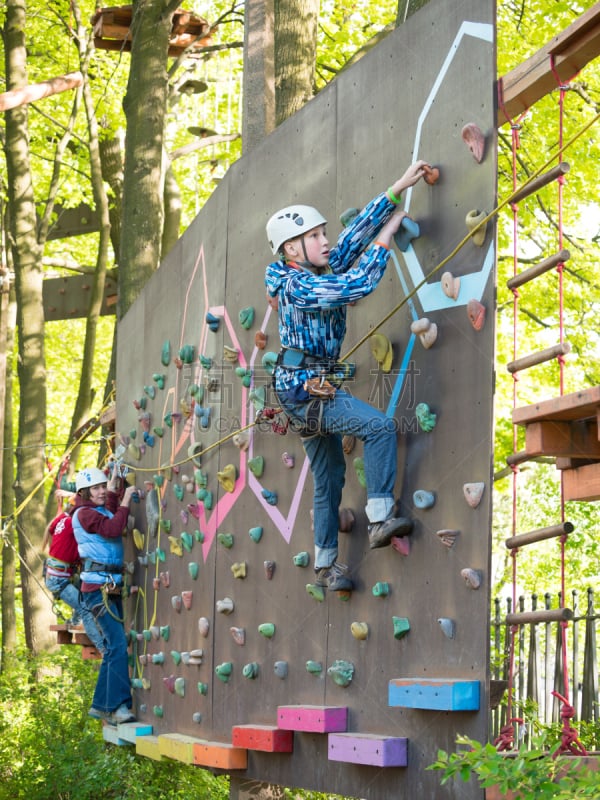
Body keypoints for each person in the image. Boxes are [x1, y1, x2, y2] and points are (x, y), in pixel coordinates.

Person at [265, 161, 429, 593]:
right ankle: (379, 518)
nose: (325, 241)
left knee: (330, 478)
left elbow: (350, 241)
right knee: (378, 428)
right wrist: (386, 239)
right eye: (315, 237)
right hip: (304, 390)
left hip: (300, 386)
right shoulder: (297, 287)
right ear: (292, 250)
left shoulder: (312, 269)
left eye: (322, 232)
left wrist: (395, 190)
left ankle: (325, 567)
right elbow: (354, 285)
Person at [72, 464, 138, 725]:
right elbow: (112, 528)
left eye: (101, 487)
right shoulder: (85, 514)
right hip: (97, 591)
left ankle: (101, 705)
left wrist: (113, 485)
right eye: (96, 488)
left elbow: (108, 511)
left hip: (107, 587)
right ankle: (119, 707)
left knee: (113, 648)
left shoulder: (94, 510)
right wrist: (125, 500)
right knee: (118, 645)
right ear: (85, 493)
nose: (101, 491)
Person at [43, 490, 106, 654]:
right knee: (86, 609)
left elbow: (49, 530)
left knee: (82, 585)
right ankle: (103, 648)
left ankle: (76, 617)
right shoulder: (74, 522)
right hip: (58, 577)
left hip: (59, 573)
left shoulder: (62, 519)